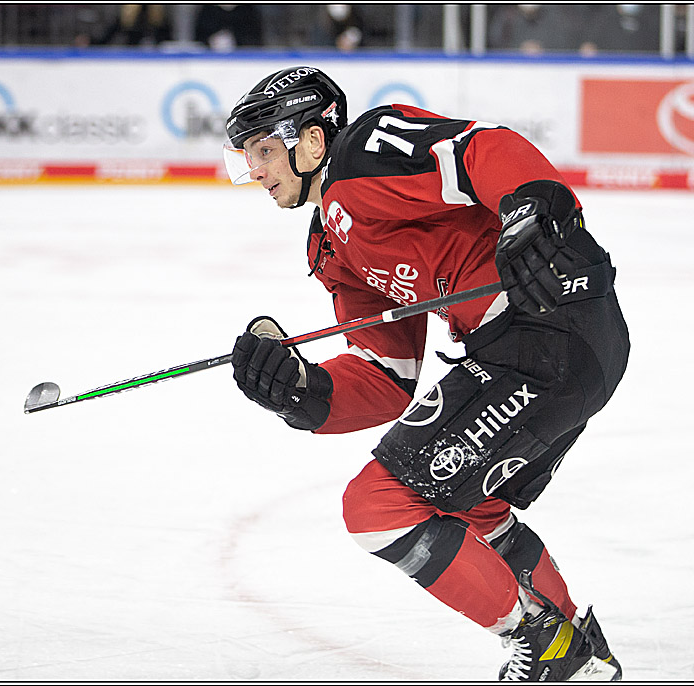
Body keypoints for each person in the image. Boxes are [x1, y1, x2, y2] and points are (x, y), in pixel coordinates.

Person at [222, 66, 629, 681]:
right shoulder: (330, 244)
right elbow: (385, 375)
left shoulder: (363, 154)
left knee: (378, 505)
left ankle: (547, 647)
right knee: (470, 505)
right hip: (532, 348)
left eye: (262, 150)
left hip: (552, 325)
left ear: (310, 141)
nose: (253, 169)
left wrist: (531, 210)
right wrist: (300, 390)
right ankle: (579, 651)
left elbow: (483, 150)